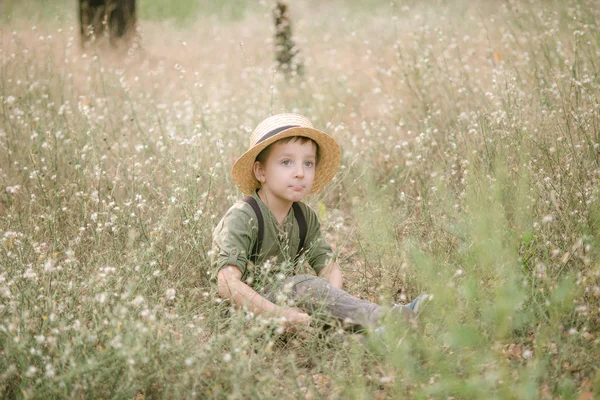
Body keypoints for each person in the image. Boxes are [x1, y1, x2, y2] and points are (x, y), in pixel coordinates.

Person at [212, 113, 424, 332]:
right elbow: (227, 284)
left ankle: (380, 337)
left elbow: (329, 267)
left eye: (308, 163)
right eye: (286, 162)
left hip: (289, 308)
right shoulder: (243, 216)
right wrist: (280, 314)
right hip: (244, 313)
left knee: (322, 313)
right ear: (261, 171)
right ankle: (388, 318)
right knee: (304, 285)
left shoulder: (304, 216)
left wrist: (328, 306)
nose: (300, 173)